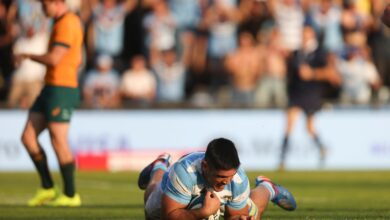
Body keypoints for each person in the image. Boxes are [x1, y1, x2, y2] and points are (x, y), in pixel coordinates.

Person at [14, 0, 83, 207]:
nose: (43, 9)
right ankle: (47, 187)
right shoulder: (59, 22)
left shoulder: (68, 23)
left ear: (56, 3)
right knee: (28, 137)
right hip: (50, 86)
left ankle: (71, 195)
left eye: (45, 4)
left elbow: (54, 58)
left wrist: (27, 55)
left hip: (62, 88)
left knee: (58, 140)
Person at [138, 138, 296, 220]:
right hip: (178, 191)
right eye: (220, 176)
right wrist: (204, 212)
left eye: (230, 176)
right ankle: (160, 165)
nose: (226, 182)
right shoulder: (184, 172)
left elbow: (233, 215)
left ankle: (267, 188)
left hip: (212, 200)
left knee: (253, 212)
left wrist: (239, 218)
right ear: (205, 166)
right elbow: (169, 216)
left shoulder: (238, 179)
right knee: (151, 208)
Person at [279, 25, 341, 171]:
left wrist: (311, 73)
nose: (304, 36)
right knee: (289, 125)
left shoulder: (320, 53)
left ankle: (321, 147)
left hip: (311, 94)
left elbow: (330, 73)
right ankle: (282, 159)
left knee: (309, 127)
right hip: (297, 93)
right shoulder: (297, 53)